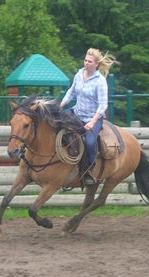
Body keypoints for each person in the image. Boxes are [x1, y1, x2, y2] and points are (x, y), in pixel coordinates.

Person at [59, 48, 118, 185]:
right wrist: (61, 105)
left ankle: (88, 171)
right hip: (77, 113)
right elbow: (71, 92)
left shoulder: (100, 81)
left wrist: (92, 122)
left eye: (89, 61)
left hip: (93, 118)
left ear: (96, 64)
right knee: (56, 123)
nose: (86, 63)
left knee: (90, 142)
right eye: (85, 60)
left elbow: (103, 105)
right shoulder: (79, 74)